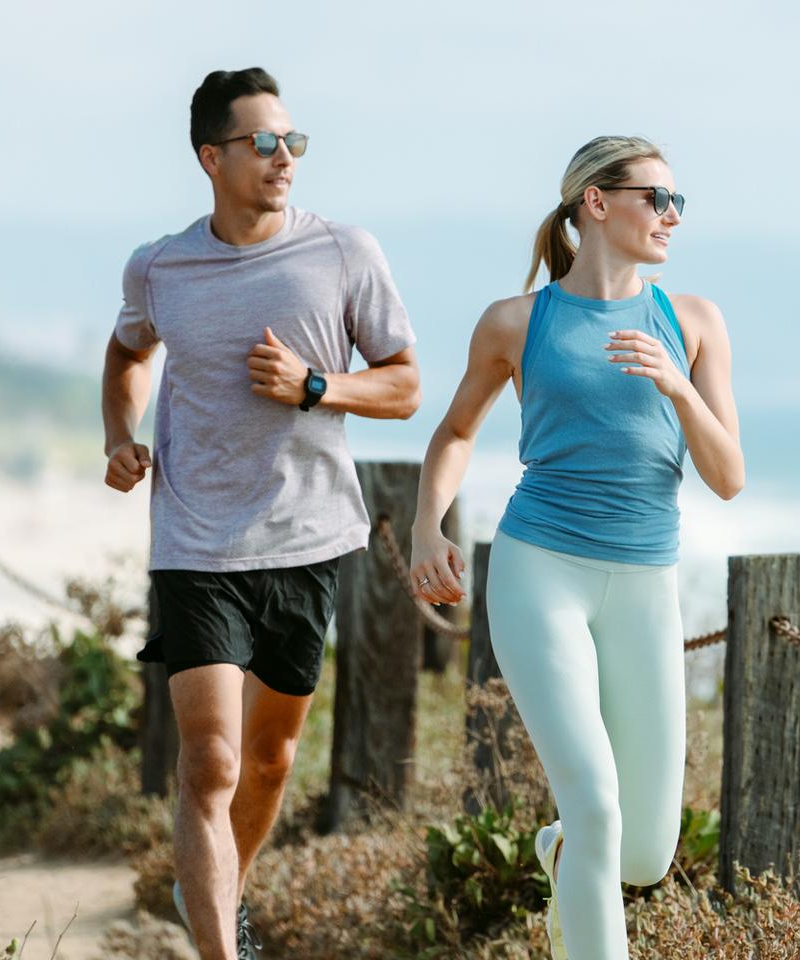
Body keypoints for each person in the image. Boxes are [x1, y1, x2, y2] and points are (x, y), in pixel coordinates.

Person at [100, 66, 420, 960]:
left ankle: (216, 890)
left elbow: (404, 388)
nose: (285, 159)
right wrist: (120, 435)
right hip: (195, 539)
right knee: (211, 764)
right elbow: (127, 354)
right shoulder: (160, 266)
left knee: (272, 763)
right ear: (212, 157)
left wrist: (316, 386)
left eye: (293, 142)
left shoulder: (344, 252)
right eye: (263, 143)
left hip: (306, 537)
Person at [408, 135, 744, 959]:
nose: (671, 216)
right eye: (654, 198)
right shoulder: (518, 321)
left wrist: (675, 384)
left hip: (645, 584)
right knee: (594, 802)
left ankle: (560, 853)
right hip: (539, 572)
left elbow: (728, 475)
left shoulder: (692, 322)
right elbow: (455, 431)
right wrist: (427, 524)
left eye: (678, 202)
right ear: (596, 202)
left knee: (642, 851)